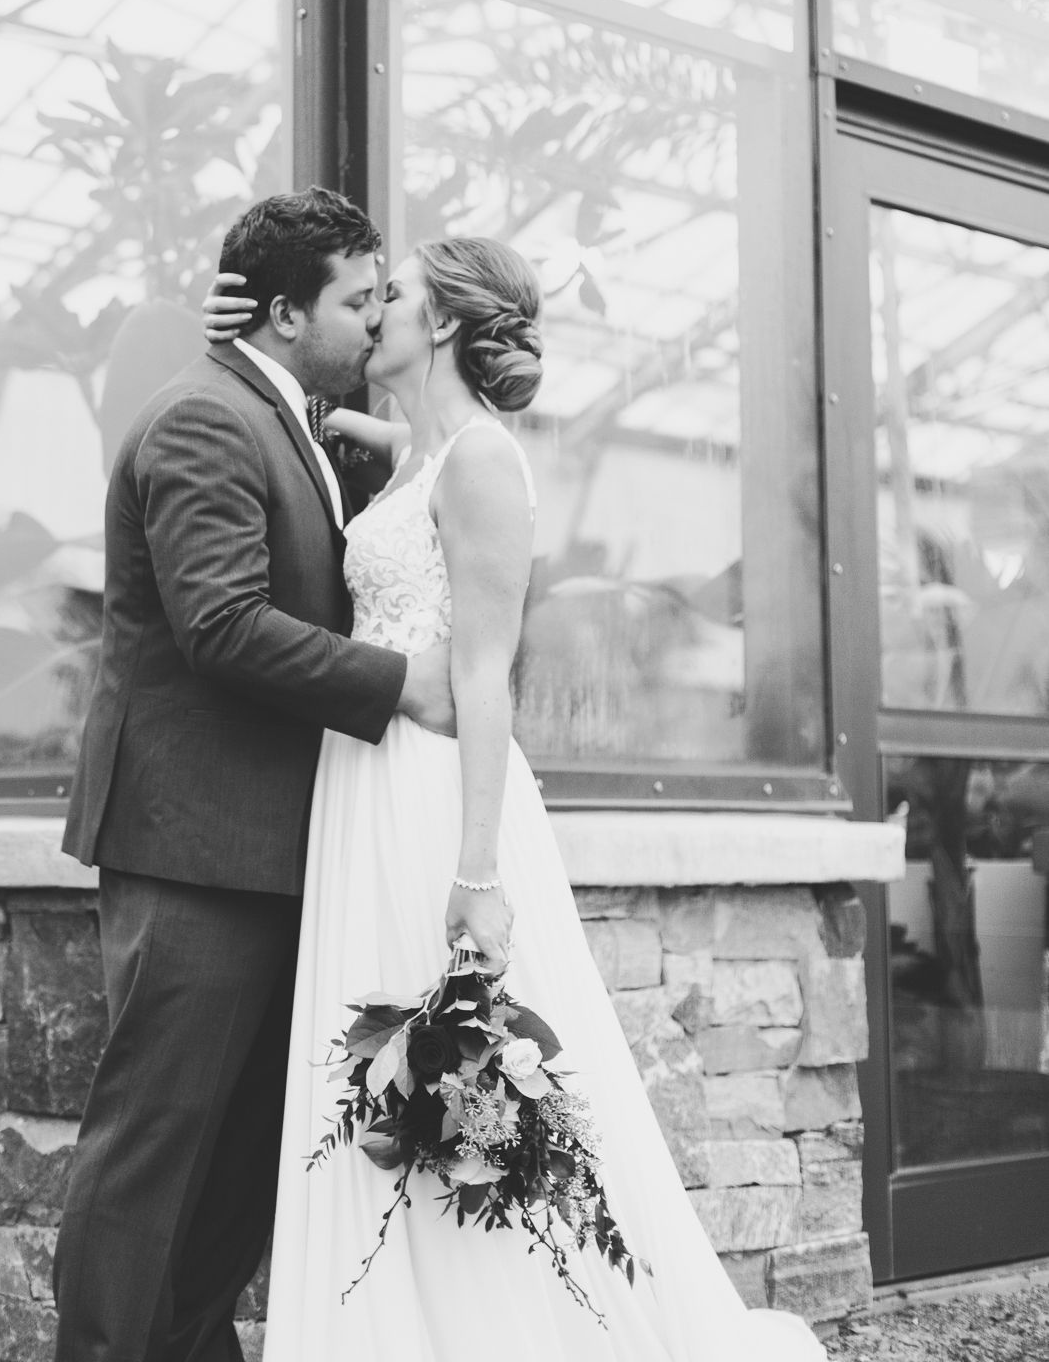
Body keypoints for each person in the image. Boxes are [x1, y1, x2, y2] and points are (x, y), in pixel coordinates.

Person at [203, 234, 825, 1361]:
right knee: (376, 1075)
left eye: (392, 295)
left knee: (453, 1077)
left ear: (441, 322)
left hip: (435, 800)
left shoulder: (483, 461)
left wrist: (477, 870)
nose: (372, 312)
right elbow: (344, 430)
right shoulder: (417, 451)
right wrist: (246, 348)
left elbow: (487, 677)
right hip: (360, 793)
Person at [53, 188, 455, 1362]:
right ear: (284, 314)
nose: (375, 315)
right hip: (194, 848)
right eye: (357, 298)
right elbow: (221, 624)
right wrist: (402, 683)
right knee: (154, 1141)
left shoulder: (295, 420)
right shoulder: (204, 417)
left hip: (276, 852)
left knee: (245, 1150)